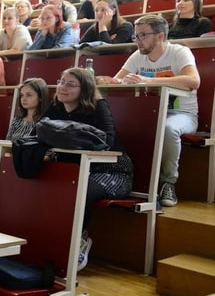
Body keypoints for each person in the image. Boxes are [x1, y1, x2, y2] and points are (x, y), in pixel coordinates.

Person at [102, 14, 201, 207]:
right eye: (136, 36)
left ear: (160, 36)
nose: (137, 40)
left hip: (182, 115)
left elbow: (193, 81)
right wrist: (114, 81)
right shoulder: (138, 55)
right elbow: (116, 81)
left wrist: (148, 80)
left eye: (143, 35)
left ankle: (168, 182)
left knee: (168, 129)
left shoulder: (179, 52)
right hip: (149, 115)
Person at [43, 67, 133, 270]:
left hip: (110, 170)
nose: (62, 87)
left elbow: (108, 142)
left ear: (84, 90)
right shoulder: (56, 105)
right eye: (61, 82)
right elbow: (40, 132)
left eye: (70, 84)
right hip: (75, 168)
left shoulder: (98, 106)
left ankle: (79, 239)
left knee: (80, 190)